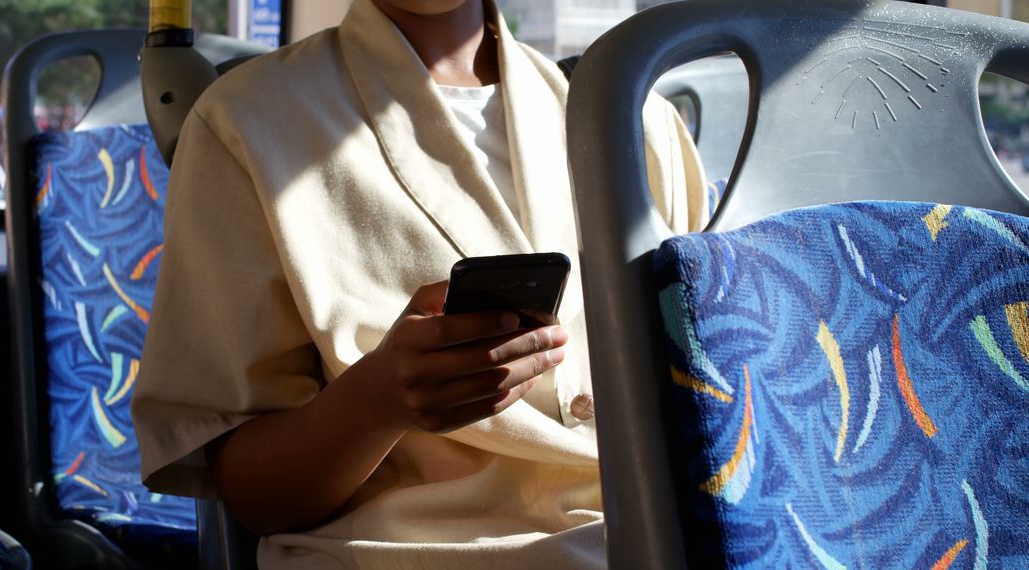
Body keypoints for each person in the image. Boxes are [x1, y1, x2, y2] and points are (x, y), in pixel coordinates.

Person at [130, 0, 708, 568]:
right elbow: (255, 499)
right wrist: (373, 405)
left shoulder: (639, 118)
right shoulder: (242, 123)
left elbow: (720, 398)